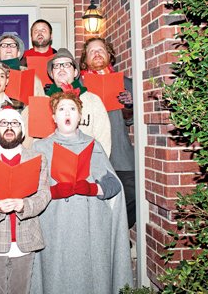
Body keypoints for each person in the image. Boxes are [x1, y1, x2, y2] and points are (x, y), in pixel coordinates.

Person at [30, 91, 133, 294]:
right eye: (61, 109)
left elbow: (114, 185)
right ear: (53, 117)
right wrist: (52, 191)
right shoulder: (40, 147)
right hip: (55, 229)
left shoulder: (93, 145)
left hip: (90, 228)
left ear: (80, 116)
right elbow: (30, 190)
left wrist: (93, 188)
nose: (67, 113)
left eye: (72, 109)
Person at [0, 108, 51, 294]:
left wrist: (25, 205)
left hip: (25, 240)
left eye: (14, 123)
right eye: (3, 123)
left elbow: (44, 193)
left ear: (22, 130)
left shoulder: (37, 158)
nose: (9, 127)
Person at [79, 37, 136, 229]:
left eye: (101, 50)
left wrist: (130, 106)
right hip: (89, 155)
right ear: (85, 60)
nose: (96, 53)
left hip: (120, 153)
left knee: (133, 192)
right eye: (91, 51)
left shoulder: (125, 82)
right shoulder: (78, 85)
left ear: (110, 55)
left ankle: (117, 233)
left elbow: (131, 120)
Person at [45, 48, 112, 156]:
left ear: (75, 72)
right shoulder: (42, 102)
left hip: (85, 166)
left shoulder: (93, 101)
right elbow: (36, 142)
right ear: (52, 74)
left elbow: (103, 139)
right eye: (56, 66)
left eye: (67, 64)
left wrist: (96, 168)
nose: (61, 69)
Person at [0, 32, 45, 103]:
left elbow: (39, 106)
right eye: (4, 45)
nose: (9, 48)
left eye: (13, 45)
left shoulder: (32, 78)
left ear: (18, 53)